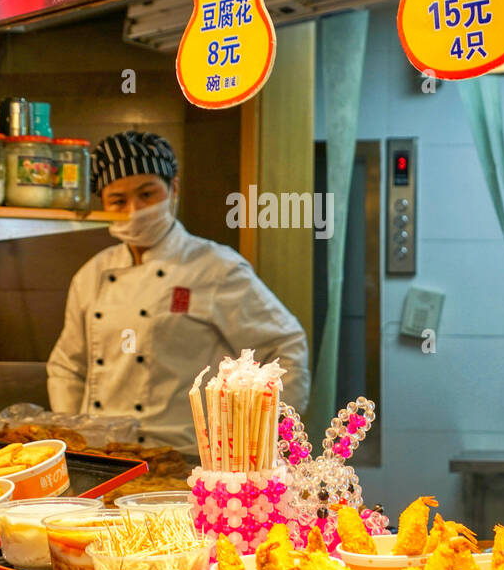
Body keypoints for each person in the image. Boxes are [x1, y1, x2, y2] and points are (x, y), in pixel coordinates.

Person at [47, 131, 310, 455]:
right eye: (119, 200)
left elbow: (285, 347)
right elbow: (67, 368)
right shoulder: (92, 274)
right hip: (105, 458)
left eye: (147, 194)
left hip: (189, 460)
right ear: (103, 203)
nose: (135, 210)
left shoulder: (215, 267)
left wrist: (263, 443)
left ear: (173, 188)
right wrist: (75, 440)